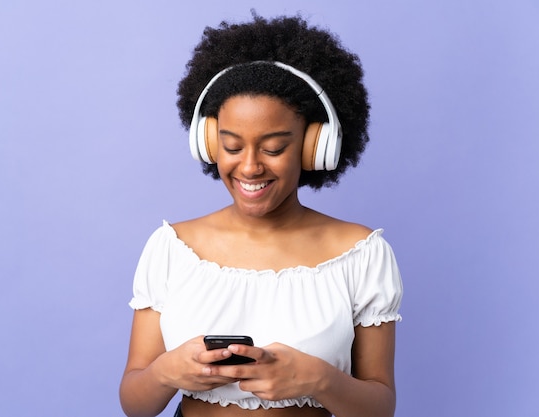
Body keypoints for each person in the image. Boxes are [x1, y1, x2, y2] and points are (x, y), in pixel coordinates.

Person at [120, 13, 403, 417]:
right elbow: (135, 403)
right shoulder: (172, 248)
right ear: (208, 143)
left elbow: (380, 407)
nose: (250, 167)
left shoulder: (360, 253)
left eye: (273, 149)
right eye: (232, 147)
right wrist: (167, 372)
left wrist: (319, 379)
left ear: (314, 147)